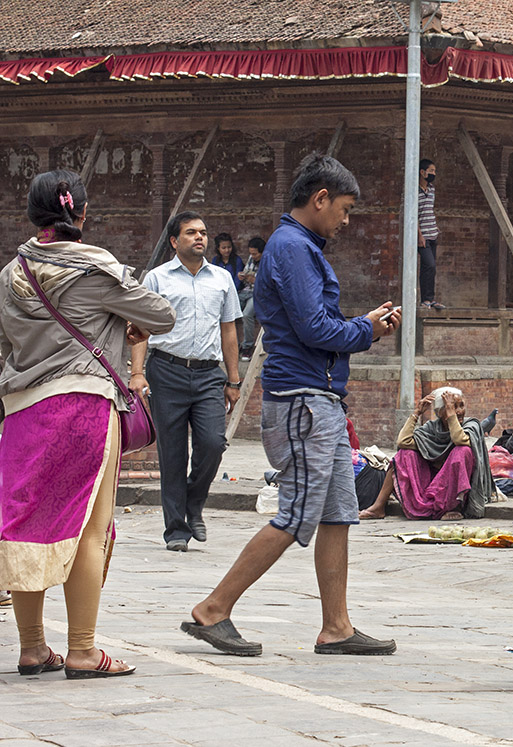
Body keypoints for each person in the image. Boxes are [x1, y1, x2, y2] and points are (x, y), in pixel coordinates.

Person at [181, 153, 400, 658]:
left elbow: (317, 322)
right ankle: (214, 608)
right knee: (298, 512)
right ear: (320, 199)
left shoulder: (300, 246)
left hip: (318, 397)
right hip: (301, 400)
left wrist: (362, 323)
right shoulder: (292, 247)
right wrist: (366, 329)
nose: (345, 221)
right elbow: (314, 329)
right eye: (343, 209)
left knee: (340, 512)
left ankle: (337, 626)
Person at [0, 169, 175, 678]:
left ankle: (32, 646)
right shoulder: (96, 269)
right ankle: (81, 649)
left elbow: (5, 349)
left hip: (22, 413)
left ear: (34, 215)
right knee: (87, 530)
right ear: (81, 214)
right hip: (82, 409)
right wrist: (120, 318)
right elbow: (160, 315)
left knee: (25, 525)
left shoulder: (10, 275)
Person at [130, 211, 243, 552]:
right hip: (167, 370)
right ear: (174, 241)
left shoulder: (222, 279)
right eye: (191, 232)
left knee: (212, 443)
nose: (200, 238)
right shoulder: (157, 279)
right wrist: (137, 374)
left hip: (209, 374)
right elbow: (140, 329)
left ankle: (194, 503)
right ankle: (176, 529)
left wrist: (233, 379)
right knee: (172, 453)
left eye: (203, 232)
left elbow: (229, 330)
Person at [359, 387, 493, 521]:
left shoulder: (471, 425)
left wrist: (450, 413)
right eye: (452, 407)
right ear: (440, 413)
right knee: (403, 455)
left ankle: (454, 507)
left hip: (455, 486)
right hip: (431, 481)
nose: (458, 411)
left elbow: (459, 440)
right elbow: (403, 442)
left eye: (461, 406)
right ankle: (378, 507)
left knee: (462, 451)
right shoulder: (432, 428)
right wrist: (416, 413)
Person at [417, 158, 445, 310]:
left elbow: (429, 210)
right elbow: (413, 215)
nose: (434, 173)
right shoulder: (414, 190)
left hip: (433, 233)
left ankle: (429, 299)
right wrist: (419, 235)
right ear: (423, 172)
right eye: (431, 171)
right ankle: (426, 299)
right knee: (430, 265)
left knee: (429, 268)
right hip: (423, 236)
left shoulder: (432, 189)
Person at [238, 236, 264, 359]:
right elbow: (246, 271)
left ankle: (247, 347)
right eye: (251, 254)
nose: (253, 256)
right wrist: (242, 276)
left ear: (262, 252)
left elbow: (268, 284)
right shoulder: (251, 259)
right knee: (227, 308)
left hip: (258, 294)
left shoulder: (267, 262)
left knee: (247, 314)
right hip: (245, 291)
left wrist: (255, 280)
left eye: (255, 254)